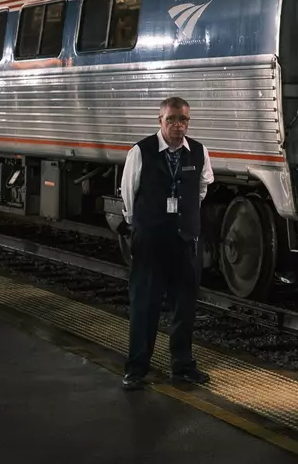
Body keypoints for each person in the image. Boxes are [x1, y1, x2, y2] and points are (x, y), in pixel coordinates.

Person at [118, 95, 215, 390]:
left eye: (183, 119)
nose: (178, 125)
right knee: (144, 306)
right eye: (171, 119)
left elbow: (201, 188)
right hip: (151, 242)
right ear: (160, 120)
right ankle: (136, 369)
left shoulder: (198, 152)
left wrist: (186, 220)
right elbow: (128, 193)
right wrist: (141, 225)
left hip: (184, 243)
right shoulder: (141, 151)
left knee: (184, 306)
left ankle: (182, 366)